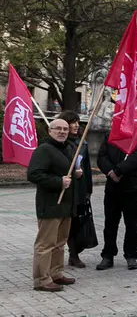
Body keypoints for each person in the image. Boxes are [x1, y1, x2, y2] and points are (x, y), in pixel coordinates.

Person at [27, 119, 79, 292]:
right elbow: (34, 174)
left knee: (60, 242)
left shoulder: (68, 148)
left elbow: (67, 172)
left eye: (65, 129)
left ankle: (56, 273)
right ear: (50, 131)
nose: (62, 131)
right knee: (45, 244)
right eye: (58, 128)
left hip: (65, 205)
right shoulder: (44, 150)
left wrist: (76, 174)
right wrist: (58, 182)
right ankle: (41, 279)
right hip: (50, 205)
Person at [96, 130, 137, 271]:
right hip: (113, 187)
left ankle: (131, 255)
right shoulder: (110, 135)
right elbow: (102, 157)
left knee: (132, 224)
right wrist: (110, 171)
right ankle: (108, 255)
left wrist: (118, 171)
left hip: (133, 188)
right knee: (110, 223)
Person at [57, 111, 93, 269]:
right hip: (67, 187)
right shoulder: (60, 144)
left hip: (80, 186)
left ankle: (75, 252)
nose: (77, 125)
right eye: (73, 122)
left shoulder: (82, 143)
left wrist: (88, 188)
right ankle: (72, 254)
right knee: (68, 222)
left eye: (77, 122)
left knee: (79, 221)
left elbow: (87, 167)